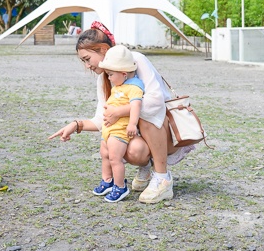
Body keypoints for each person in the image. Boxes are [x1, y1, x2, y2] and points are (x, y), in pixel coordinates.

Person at [49, 21, 192, 203]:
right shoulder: (105, 79)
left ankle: (163, 177)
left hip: (166, 133)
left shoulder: (136, 59)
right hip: (140, 135)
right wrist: (77, 125)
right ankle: (147, 167)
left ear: (102, 49)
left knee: (143, 111)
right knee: (128, 147)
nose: (87, 66)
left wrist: (121, 111)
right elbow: (104, 118)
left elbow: (156, 102)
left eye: (86, 59)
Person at [92, 45, 144, 202]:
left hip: (119, 130)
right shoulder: (118, 86)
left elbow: (136, 106)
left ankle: (120, 186)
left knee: (115, 158)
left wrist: (132, 124)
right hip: (109, 129)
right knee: (105, 155)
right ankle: (107, 180)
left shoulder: (133, 88)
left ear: (123, 73)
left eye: (111, 74)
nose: (108, 78)